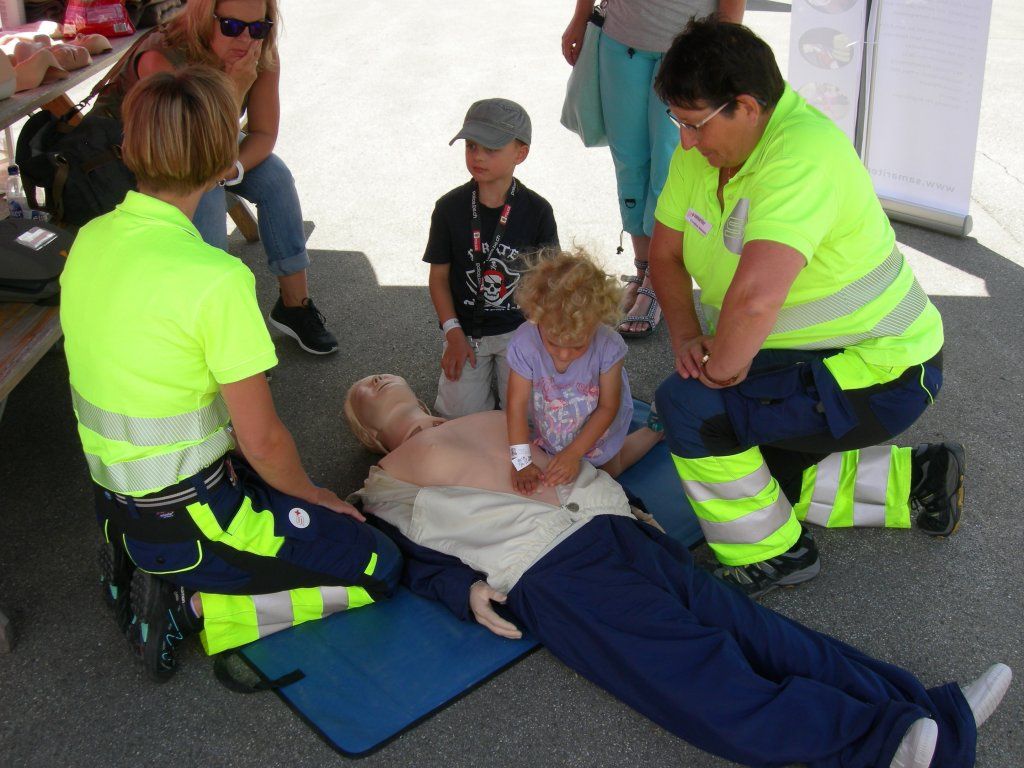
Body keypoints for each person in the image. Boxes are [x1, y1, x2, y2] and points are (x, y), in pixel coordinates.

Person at [344, 373, 1010, 768]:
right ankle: (880, 744)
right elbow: (398, 560)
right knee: (701, 673)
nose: (372, 380)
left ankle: (933, 717)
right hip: (549, 573)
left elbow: (591, 456)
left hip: (617, 530)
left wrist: (649, 442)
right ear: (371, 435)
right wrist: (462, 592)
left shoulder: (492, 413)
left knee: (764, 636)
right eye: (360, 394)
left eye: (377, 374)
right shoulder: (378, 487)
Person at [60, 67, 400, 682]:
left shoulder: (90, 239)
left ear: (131, 146)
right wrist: (317, 498)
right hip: (193, 512)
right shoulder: (215, 279)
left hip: (115, 497)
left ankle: (146, 566)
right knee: (379, 564)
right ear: (225, 162)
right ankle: (196, 607)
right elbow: (263, 442)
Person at [646, 17, 964, 597]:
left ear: (744, 106)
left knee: (692, 410)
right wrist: (686, 336)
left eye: (694, 125)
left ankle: (774, 555)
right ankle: (917, 480)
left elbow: (755, 298)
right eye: (679, 122)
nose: (686, 141)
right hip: (820, 355)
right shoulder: (708, 151)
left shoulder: (802, 154)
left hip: (883, 367)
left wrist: (712, 380)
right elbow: (664, 256)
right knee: (748, 461)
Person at [94, 0, 338, 355]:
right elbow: (188, 152)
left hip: (204, 145)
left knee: (275, 178)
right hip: (136, 152)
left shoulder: (260, 49)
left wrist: (229, 169)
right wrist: (234, 88)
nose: (246, 37)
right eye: (231, 26)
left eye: (258, 27)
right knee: (205, 191)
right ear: (202, 18)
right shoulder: (161, 56)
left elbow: (264, 135)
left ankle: (294, 305)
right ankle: (218, 332)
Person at [560, 0, 745, 337]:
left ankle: (659, 278)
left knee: (669, 169)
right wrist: (579, 16)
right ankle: (644, 268)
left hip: (690, 49)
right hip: (619, 37)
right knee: (629, 161)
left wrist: (727, 47)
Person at [424, 98, 560, 418]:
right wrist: (452, 332)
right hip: (465, 331)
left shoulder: (538, 211)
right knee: (457, 422)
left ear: (521, 153)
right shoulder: (449, 208)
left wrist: (539, 337)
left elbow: (550, 281)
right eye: (471, 146)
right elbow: (439, 278)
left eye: (491, 148)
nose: (478, 156)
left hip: (520, 330)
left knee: (528, 419)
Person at [505, 249, 661, 493]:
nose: (564, 354)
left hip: (599, 423)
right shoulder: (525, 343)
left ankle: (655, 431)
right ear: (538, 317)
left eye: (578, 345)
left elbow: (608, 406)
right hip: (556, 423)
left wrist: (574, 453)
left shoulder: (608, 345)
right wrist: (521, 462)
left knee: (609, 470)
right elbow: (516, 404)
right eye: (553, 343)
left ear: (597, 322)